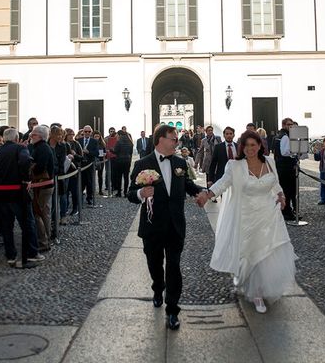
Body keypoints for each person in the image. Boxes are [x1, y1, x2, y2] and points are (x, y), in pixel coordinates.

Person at [198, 130, 297, 314]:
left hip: (269, 215)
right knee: (250, 252)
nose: (250, 149)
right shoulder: (235, 166)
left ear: (260, 145)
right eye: (246, 145)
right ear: (241, 147)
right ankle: (253, 290)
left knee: (267, 253)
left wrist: (281, 196)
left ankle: (260, 289)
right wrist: (207, 194)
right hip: (246, 216)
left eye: (254, 145)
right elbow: (223, 183)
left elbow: (275, 183)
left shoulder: (270, 161)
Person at [127, 124, 205, 331]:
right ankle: (157, 287)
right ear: (161, 139)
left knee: (174, 266)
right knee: (154, 263)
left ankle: (172, 310)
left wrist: (199, 193)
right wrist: (140, 194)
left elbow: (187, 183)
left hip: (175, 225)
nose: (176, 142)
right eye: (173, 138)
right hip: (152, 225)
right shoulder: (143, 163)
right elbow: (130, 192)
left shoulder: (180, 162)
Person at [0, 128, 44, 268]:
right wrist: (26, 179)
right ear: (16, 138)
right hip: (18, 193)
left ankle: (10, 255)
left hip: (3, 193)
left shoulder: (0, 150)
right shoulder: (20, 148)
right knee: (27, 223)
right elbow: (24, 162)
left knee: (7, 226)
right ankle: (32, 253)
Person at [29, 125, 54, 252]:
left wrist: (31, 166)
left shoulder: (42, 148)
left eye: (33, 135)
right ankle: (46, 239)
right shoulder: (41, 147)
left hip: (42, 185)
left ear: (40, 136)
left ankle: (43, 241)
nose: (31, 137)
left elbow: (40, 168)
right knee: (44, 212)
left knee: (37, 212)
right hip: (44, 185)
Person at [272, 118, 296, 220]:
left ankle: (285, 211)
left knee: (284, 190)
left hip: (280, 166)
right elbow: (285, 152)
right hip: (286, 167)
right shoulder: (285, 137)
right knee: (288, 191)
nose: (290, 127)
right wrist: (294, 153)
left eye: (291, 125)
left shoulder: (278, 136)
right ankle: (287, 212)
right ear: (283, 125)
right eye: (289, 125)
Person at [78, 125, 99, 207]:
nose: (87, 133)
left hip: (90, 165)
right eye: (85, 131)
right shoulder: (79, 140)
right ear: (83, 132)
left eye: (89, 132)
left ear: (91, 132)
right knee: (81, 182)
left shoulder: (94, 141)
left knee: (90, 182)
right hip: (81, 165)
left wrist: (88, 152)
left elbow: (96, 153)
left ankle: (89, 198)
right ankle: (80, 198)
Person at [113, 129, 134, 197]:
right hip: (127, 161)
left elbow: (116, 151)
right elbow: (131, 152)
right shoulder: (130, 142)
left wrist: (110, 150)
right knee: (126, 177)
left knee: (119, 177)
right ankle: (125, 192)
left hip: (119, 161)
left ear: (119, 135)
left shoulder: (118, 142)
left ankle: (119, 192)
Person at [93, 131, 107, 195]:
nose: (97, 137)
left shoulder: (102, 143)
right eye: (95, 136)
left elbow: (104, 151)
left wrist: (104, 154)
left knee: (100, 175)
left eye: (98, 136)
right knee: (92, 176)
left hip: (101, 160)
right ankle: (92, 190)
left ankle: (100, 190)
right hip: (93, 161)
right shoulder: (91, 143)